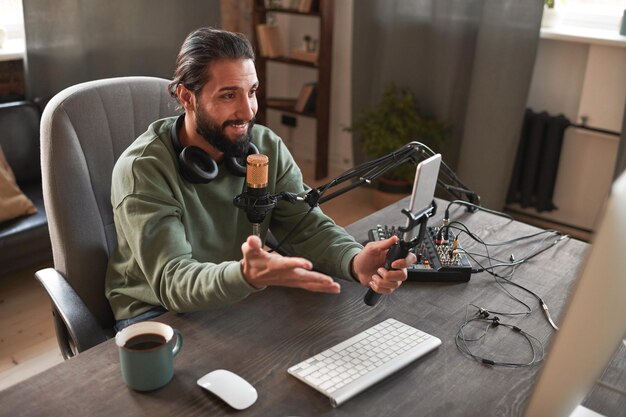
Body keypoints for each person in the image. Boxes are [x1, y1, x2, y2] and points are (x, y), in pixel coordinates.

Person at [105, 27, 416, 330]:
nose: (248, 110)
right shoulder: (143, 170)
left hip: (233, 289)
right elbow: (173, 280)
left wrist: (353, 259)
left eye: (251, 92)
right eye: (228, 95)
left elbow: (306, 227)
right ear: (187, 97)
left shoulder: (265, 147)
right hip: (156, 313)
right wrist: (245, 275)